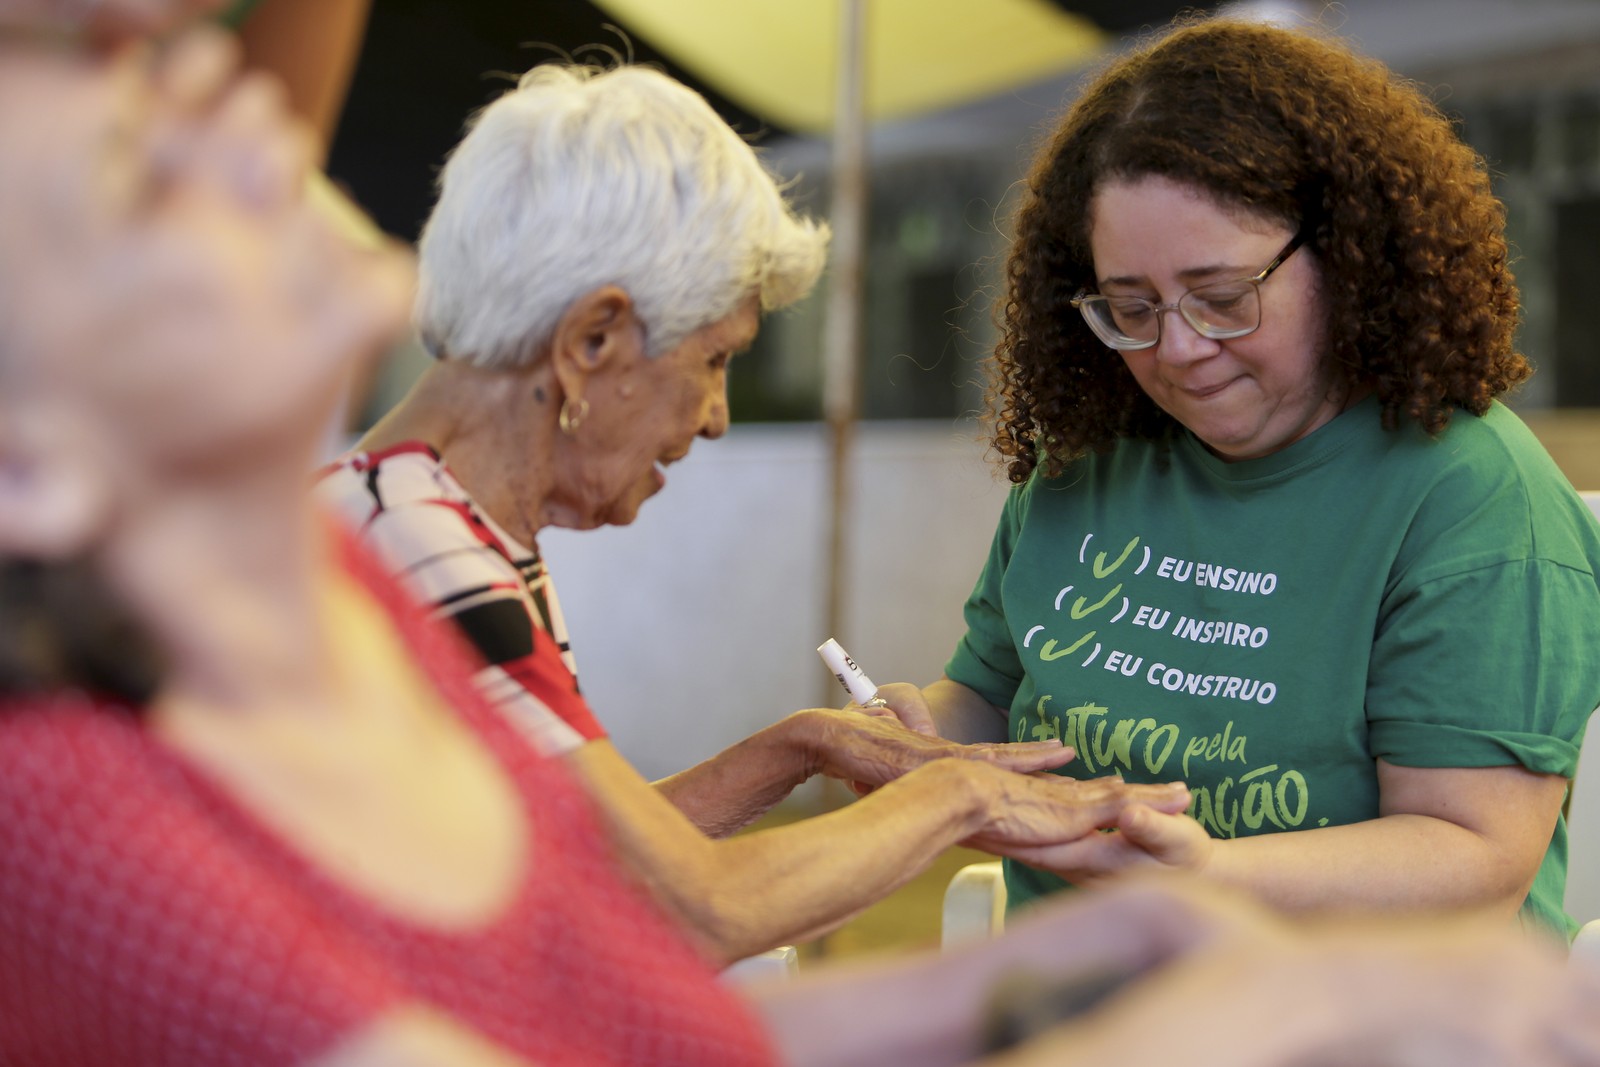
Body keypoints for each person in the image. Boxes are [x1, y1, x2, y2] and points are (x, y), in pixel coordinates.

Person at [5, 14, 1600, 1067]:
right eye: (144, 171)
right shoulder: (88, 779)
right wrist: (1235, 991)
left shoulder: (348, 589)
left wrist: (1053, 954)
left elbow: (606, 959)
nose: (237, 123)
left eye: (1221, 293)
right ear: (33, 468)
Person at [313, 59, 1198, 965]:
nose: (717, 416)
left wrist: (809, 742)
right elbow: (692, 904)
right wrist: (961, 797)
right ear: (592, 342)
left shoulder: (420, 513)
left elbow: (590, 844)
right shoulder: (420, 556)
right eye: (714, 359)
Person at [868, 15, 1600, 940]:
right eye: (1129, 307)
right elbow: (987, 699)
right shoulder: (1089, 458)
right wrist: (915, 733)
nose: (1177, 350)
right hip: (1078, 998)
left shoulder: (1471, 499)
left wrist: (1212, 871)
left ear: (1346, 253)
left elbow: (1474, 855)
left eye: (1221, 299)